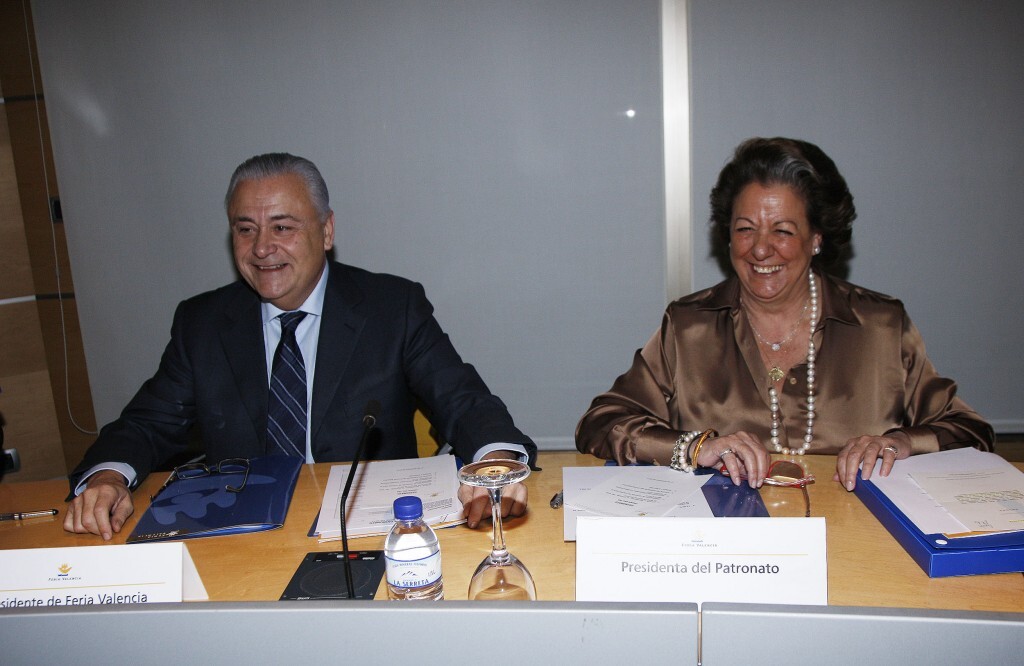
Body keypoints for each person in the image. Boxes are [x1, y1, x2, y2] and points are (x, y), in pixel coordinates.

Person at [66, 152, 535, 539]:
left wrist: (496, 461)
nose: (261, 248)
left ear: (326, 231)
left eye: (282, 227)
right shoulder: (203, 323)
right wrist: (107, 477)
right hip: (240, 534)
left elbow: (462, 400)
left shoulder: (392, 307)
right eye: (245, 229)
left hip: (373, 532)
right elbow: (146, 423)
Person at [576, 137, 993, 491]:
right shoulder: (689, 326)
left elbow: (971, 433)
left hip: (860, 539)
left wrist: (901, 443)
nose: (760, 249)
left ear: (816, 238)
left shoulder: (881, 326)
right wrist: (696, 447)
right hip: (724, 543)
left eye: (783, 231)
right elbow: (601, 423)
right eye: (745, 228)